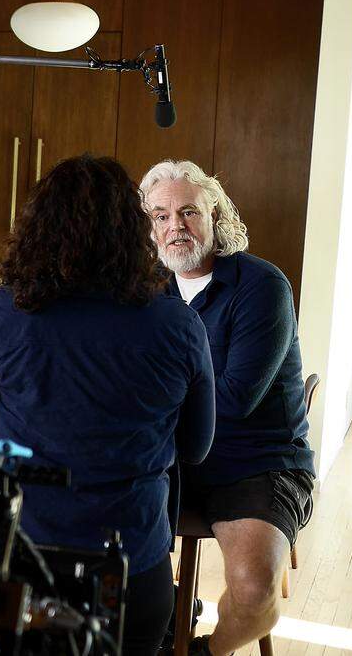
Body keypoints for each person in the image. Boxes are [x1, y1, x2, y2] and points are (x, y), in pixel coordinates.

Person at [0, 155, 216, 655]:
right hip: (130, 566)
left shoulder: (2, 314)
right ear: (134, 231)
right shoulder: (178, 325)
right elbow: (196, 447)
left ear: (38, 228)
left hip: (12, 556)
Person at [140, 160, 316, 656]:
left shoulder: (261, 286)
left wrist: (142, 393)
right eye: (160, 215)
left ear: (215, 216)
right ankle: (165, 616)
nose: (175, 225)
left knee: (254, 589)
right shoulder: (145, 288)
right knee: (90, 540)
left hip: (253, 462)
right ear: (150, 227)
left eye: (189, 211)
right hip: (169, 458)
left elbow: (236, 398)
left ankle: (204, 652)